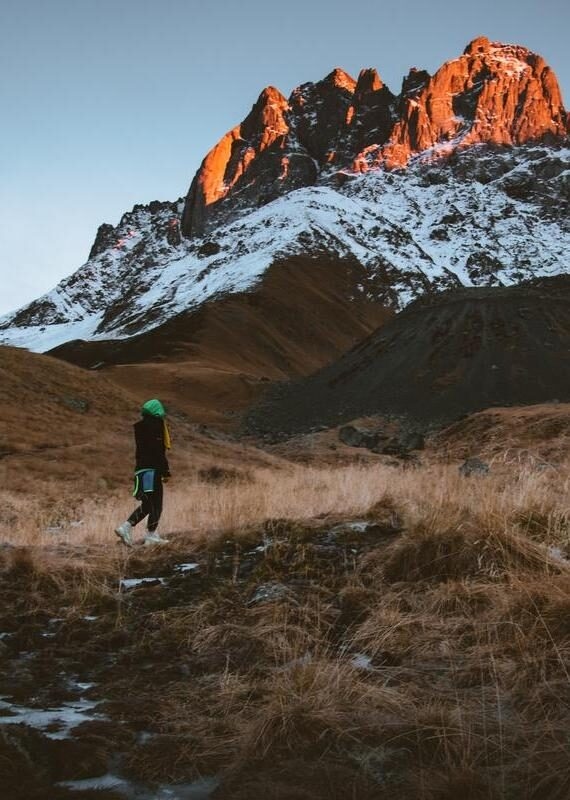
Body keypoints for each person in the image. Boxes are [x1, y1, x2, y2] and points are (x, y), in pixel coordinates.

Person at [115, 398, 172, 547]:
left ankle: (126, 527)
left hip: (141, 471)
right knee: (156, 503)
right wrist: (165, 471)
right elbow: (158, 452)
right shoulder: (156, 426)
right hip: (152, 471)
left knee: (148, 503)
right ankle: (151, 535)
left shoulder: (140, 428)